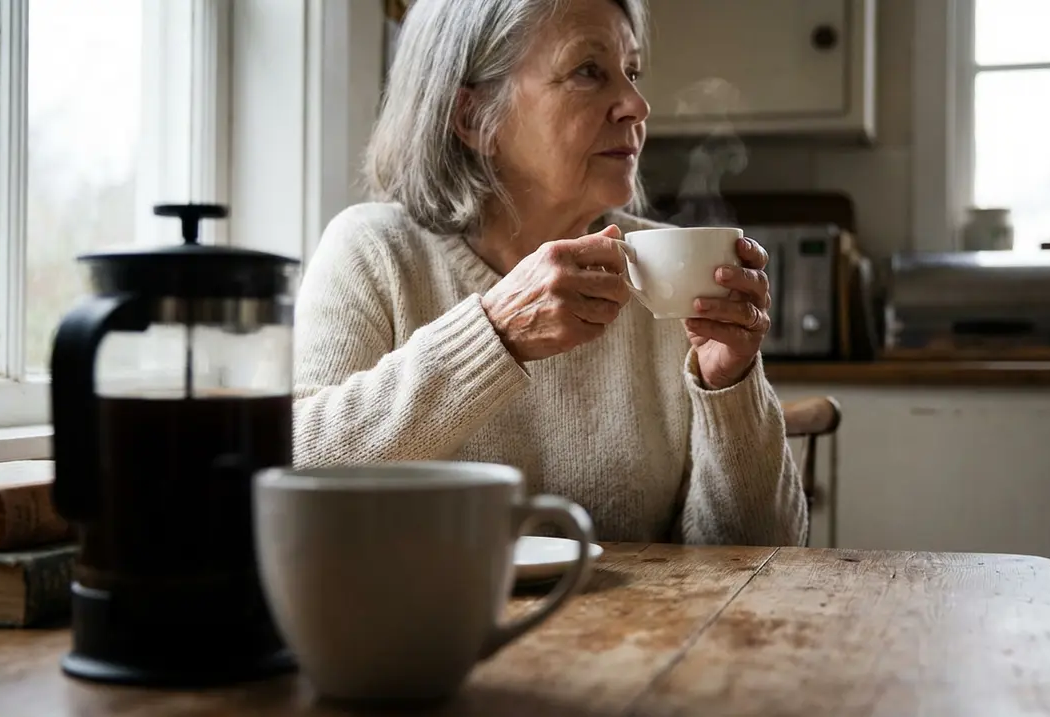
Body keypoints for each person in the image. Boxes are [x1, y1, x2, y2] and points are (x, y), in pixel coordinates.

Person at [292, 0, 807, 547]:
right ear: (473, 118)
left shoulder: (663, 265)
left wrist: (729, 387)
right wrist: (493, 336)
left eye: (631, 72)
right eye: (589, 71)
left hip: (636, 632)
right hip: (424, 627)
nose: (636, 104)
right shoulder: (374, 251)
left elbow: (760, 556)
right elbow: (295, 470)